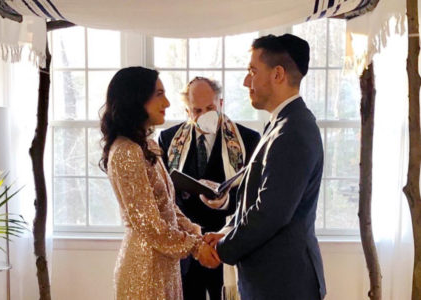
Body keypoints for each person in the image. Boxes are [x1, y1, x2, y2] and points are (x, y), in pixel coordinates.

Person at [204, 34, 327, 299]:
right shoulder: (279, 124)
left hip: (283, 284)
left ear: (278, 74)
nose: (246, 81)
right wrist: (225, 232)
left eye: (252, 71)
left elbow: (269, 213)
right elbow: (253, 200)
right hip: (271, 281)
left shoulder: (293, 131)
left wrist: (222, 249)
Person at [99, 67, 219, 300]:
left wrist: (197, 233)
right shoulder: (126, 151)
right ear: (136, 98)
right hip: (145, 269)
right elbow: (150, 224)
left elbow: (167, 207)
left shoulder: (147, 146)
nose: (167, 102)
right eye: (159, 94)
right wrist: (196, 247)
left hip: (164, 264)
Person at [158, 77, 260, 300]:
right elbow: (164, 196)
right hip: (186, 247)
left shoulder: (248, 139)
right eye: (197, 110)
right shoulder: (168, 139)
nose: (204, 115)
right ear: (187, 110)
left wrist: (224, 201)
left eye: (210, 108)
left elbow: (253, 198)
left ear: (220, 104)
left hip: (225, 243)